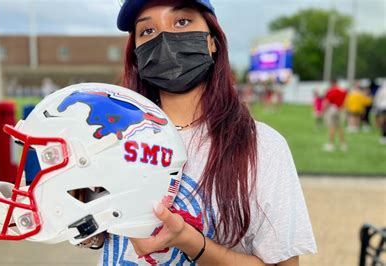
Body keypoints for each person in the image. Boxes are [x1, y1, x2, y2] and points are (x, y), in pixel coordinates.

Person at [83, 1, 317, 264]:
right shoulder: (113, 139)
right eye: (147, 31)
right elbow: (103, 233)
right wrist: (86, 219)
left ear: (212, 41)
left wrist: (189, 240)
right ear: (137, 55)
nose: (165, 40)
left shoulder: (263, 146)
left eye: (182, 22)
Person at [323, 79, 348, 152]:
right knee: (340, 127)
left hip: (332, 110)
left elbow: (327, 101)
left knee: (331, 127)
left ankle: (331, 144)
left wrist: (323, 111)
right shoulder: (342, 91)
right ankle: (343, 144)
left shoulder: (331, 91)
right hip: (340, 110)